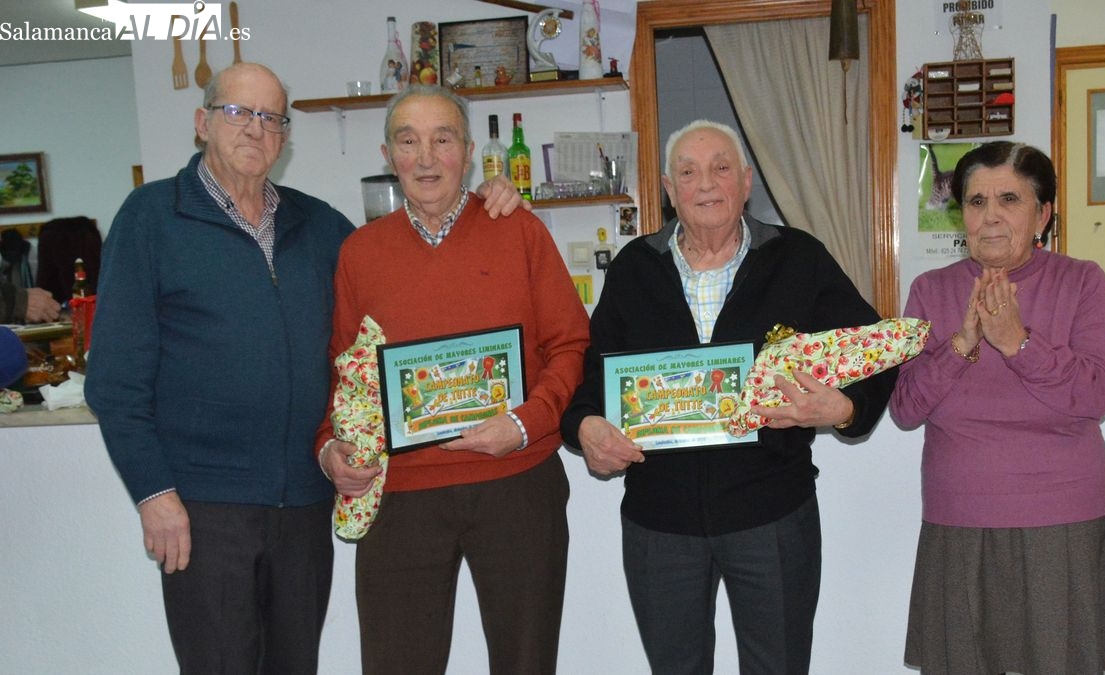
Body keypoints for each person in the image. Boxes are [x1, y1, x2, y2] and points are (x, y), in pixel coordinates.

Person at [84, 64, 526, 674]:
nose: (255, 129)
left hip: (305, 502)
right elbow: (114, 383)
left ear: (285, 137)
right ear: (202, 122)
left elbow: (406, 269)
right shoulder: (151, 218)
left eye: (271, 118)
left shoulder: (319, 226)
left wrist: (481, 201)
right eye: (238, 112)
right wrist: (154, 493)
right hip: (204, 505)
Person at [559, 119, 897, 674]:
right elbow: (590, 384)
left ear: (745, 182)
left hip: (772, 515)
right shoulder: (633, 269)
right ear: (669, 190)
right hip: (659, 522)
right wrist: (584, 428)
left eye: (720, 168)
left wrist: (845, 408)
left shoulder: (798, 258)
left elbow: (872, 349)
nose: (706, 184)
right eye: (689, 172)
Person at [317, 85, 590, 674]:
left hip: (518, 484)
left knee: (526, 663)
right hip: (401, 496)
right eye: (407, 141)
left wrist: (526, 424)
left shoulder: (520, 231)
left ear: (467, 152)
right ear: (387, 156)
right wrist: (329, 449)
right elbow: (342, 371)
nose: (425, 158)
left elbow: (570, 344)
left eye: (442, 139)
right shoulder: (360, 252)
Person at [889, 141, 1105, 675]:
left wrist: (1018, 342)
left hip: (1061, 519)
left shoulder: (1082, 280)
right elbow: (905, 408)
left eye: (1009, 200)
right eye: (977, 202)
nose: (991, 216)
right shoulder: (931, 291)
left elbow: (1097, 394)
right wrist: (961, 344)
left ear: (1042, 215)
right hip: (959, 518)